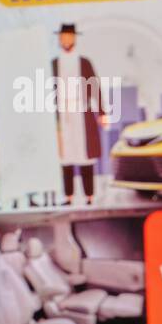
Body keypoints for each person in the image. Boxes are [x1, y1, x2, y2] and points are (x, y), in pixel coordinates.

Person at [51, 23, 106, 206]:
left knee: (84, 154)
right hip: (62, 113)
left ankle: (89, 195)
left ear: (74, 39)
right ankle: (68, 196)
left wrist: (102, 112)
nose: (66, 40)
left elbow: (95, 87)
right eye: (63, 37)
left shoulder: (84, 62)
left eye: (69, 37)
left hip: (82, 113)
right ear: (59, 40)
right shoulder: (53, 64)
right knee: (65, 155)